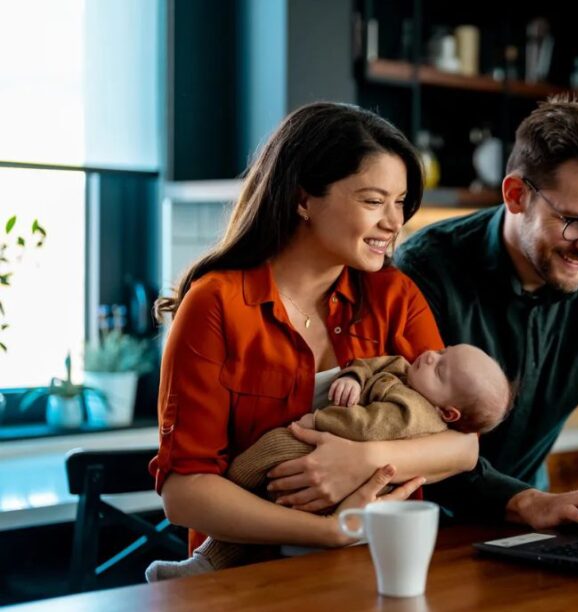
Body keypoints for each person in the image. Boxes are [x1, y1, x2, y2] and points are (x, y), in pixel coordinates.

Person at [149, 102, 479, 565]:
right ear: (303, 198)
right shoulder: (216, 304)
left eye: (400, 202)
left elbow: (463, 445)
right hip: (247, 587)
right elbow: (184, 493)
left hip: (380, 567)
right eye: (373, 200)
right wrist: (329, 531)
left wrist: (362, 461)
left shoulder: (395, 296)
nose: (393, 222)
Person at [393, 96, 578, 531]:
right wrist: (524, 501)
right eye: (576, 222)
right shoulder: (424, 272)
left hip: (533, 523)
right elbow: (405, 436)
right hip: (422, 530)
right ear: (516, 195)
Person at [147, 345, 511, 580]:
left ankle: (222, 519)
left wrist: (318, 421)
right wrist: (354, 376)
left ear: (447, 412)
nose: (431, 355)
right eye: (443, 352)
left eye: (442, 370)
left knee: (262, 461)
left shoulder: (414, 413)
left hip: (329, 463)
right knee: (261, 505)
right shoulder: (408, 371)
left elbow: (365, 427)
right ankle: (208, 560)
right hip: (328, 493)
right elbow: (373, 364)